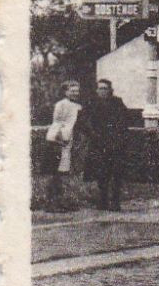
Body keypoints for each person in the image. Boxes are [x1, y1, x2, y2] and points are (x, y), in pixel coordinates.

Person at [80, 79, 132, 211]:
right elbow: (84, 122)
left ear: (110, 90)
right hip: (98, 143)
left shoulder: (117, 103)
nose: (102, 91)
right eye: (100, 88)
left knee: (116, 173)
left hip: (116, 143)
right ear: (96, 90)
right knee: (101, 173)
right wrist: (93, 135)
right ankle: (102, 201)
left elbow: (124, 121)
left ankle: (115, 201)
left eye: (105, 88)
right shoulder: (91, 103)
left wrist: (119, 138)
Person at [43, 80, 83, 207]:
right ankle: (51, 202)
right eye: (72, 91)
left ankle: (59, 201)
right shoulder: (60, 104)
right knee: (55, 172)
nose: (75, 93)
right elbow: (57, 122)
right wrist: (60, 138)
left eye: (77, 91)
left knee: (63, 172)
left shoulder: (78, 107)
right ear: (65, 92)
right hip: (56, 140)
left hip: (67, 141)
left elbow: (76, 125)